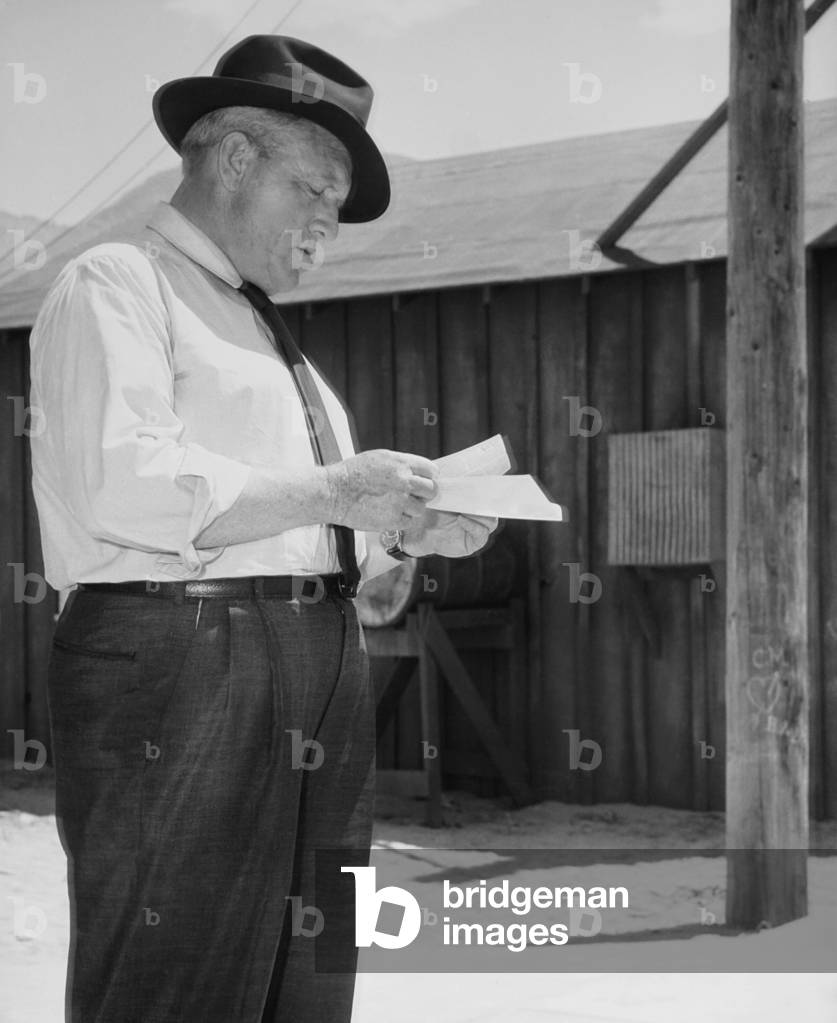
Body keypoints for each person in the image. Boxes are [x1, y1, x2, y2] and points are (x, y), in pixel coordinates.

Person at [29, 35, 496, 1023]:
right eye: (315, 187)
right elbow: (124, 484)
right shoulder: (118, 282)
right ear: (234, 156)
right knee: (175, 981)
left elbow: (318, 534)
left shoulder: (279, 346)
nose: (328, 221)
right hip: (180, 658)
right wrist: (338, 489)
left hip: (314, 657)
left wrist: (407, 533)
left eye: (337, 202)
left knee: (308, 980)